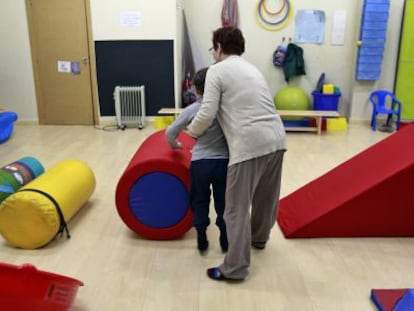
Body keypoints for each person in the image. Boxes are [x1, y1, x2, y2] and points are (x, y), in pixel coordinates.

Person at [187, 26, 287, 281]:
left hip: (249, 144)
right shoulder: (252, 68)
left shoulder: (217, 71)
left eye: (213, 48)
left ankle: (235, 268)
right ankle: (259, 239)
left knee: (235, 208)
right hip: (277, 138)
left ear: (219, 47)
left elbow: (207, 112)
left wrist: (192, 131)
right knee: (266, 198)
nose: (212, 52)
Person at [165, 67, 229, 253]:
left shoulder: (192, 109)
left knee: (200, 200)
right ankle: (225, 239)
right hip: (224, 163)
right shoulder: (226, 108)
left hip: (200, 163)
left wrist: (176, 145)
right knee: (224, 202)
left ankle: (201, 237)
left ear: (196, 89)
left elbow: (170, 133)